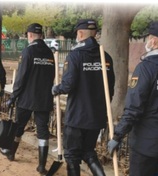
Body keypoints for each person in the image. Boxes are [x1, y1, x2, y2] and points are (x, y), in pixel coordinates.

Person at [52, 19, 115, 176]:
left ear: (80, 34)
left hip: (78, 116)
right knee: (88, 152)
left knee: (72, 155)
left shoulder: (76, 55)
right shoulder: (105, 57)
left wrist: (56, 89)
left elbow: (68, 85)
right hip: (96, 116)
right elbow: (110, 89)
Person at [0, 23, 55, 174]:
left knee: (19, 126)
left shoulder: (28, 52)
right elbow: (52, 76)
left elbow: (21, 78)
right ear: (41, 35)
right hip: (44, 99)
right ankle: (42, 165)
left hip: (27, 98)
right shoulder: (50, 53)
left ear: (30, 36)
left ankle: (11, 152)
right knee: (43, 131)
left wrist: (13, 96)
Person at [107, 21, 158, 176]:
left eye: (148, 37)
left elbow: (134, 108)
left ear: (154, 41)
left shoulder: (146, 68)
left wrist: (118, 135)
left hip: (146, 145)